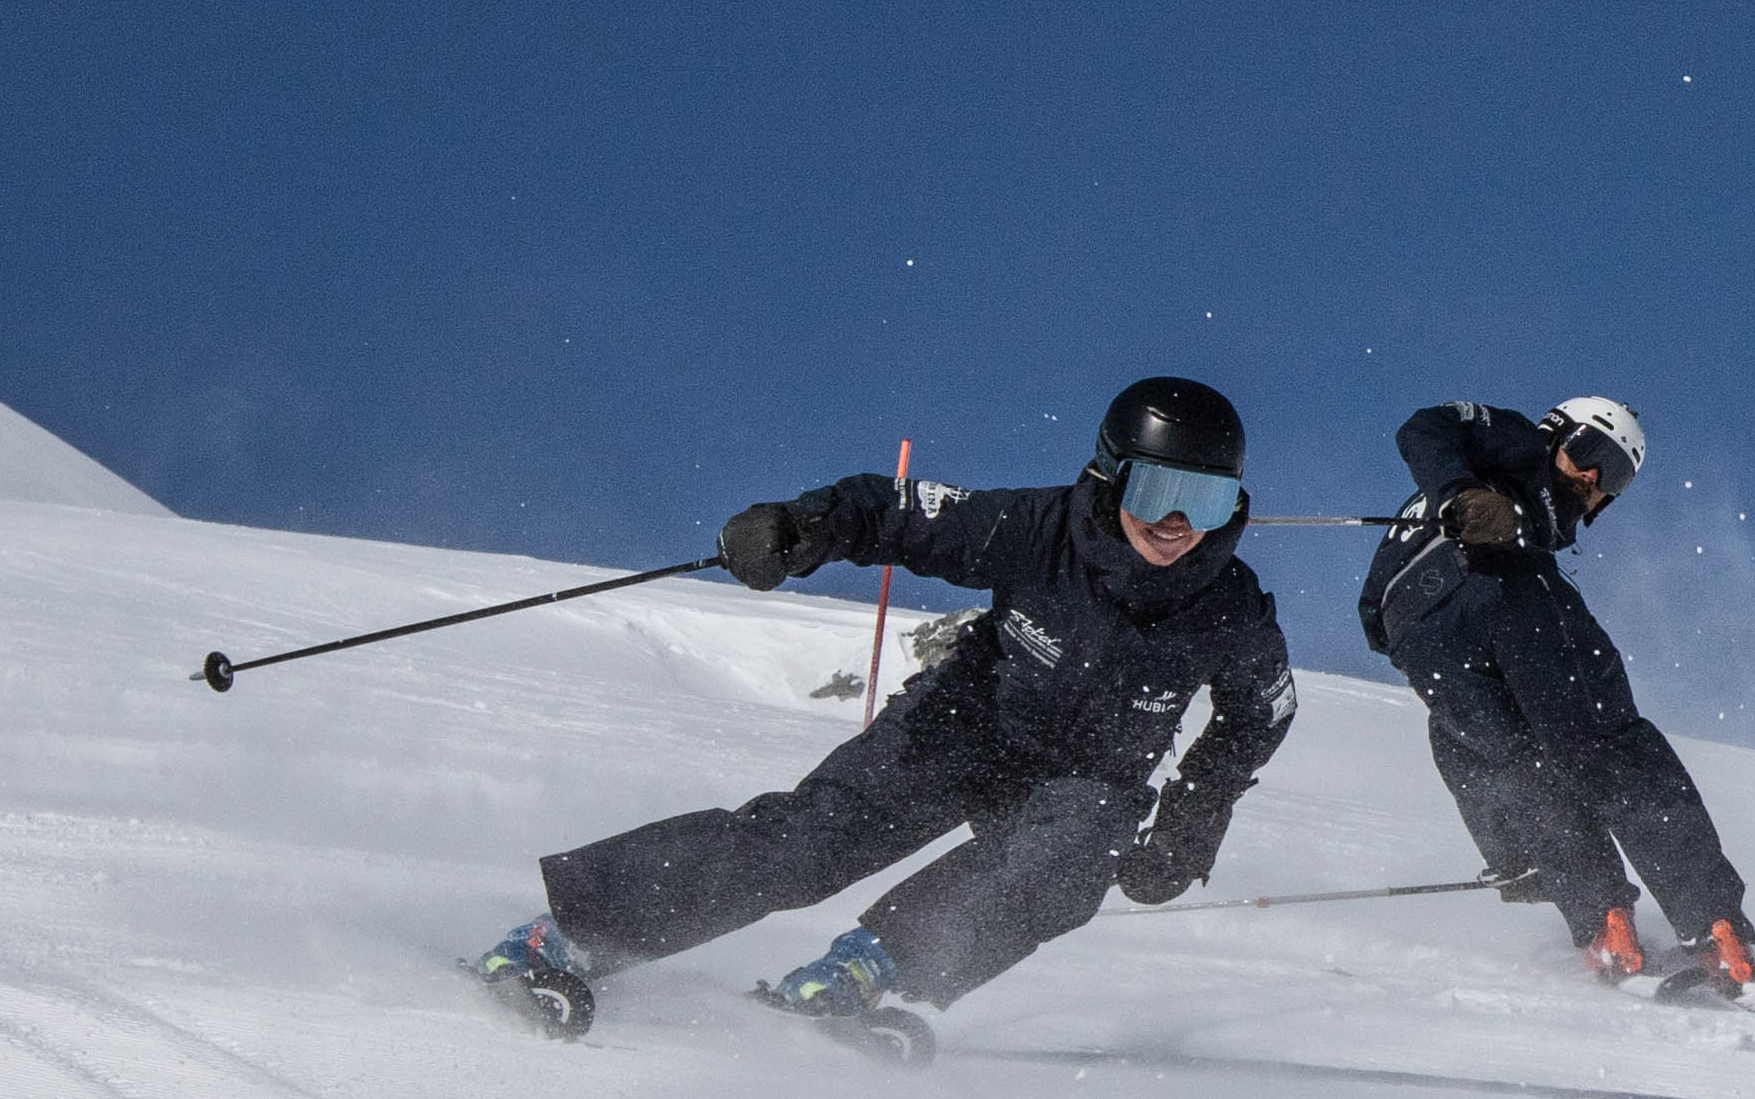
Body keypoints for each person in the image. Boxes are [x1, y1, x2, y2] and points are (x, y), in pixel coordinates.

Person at [466, 377, 1299, 1051]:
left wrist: (1190, 822)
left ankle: (860, 973)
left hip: (1089, 774)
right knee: (805, 847)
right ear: (1112, 476)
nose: (1179, 523)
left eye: (1207, 498)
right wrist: (799, 529)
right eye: (1158, 490)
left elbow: (1259, 715)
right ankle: (562, 939)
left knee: (1064, 865)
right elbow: (894, 512)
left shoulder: (1231, 610)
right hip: (966, 723)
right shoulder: (1036, 528)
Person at [1355, 393, 1755, 999]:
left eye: (1617, 478)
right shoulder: (1514, 449)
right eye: (1592, 454)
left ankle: (1604, 924)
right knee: (1610, 744)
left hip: (1421, 638)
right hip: (1498, 586)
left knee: (1515, 763)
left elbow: (1379, 614)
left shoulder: (1496, 509)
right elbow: (1426, 423)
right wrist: (1464, 494)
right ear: (1557, 433)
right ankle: (1715, 927)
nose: (1594, 479)